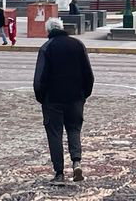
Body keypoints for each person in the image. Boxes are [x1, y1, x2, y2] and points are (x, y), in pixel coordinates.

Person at [34, 16, 95, 184]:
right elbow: (88, 74)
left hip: (52, 99)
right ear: (62, 28)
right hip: (75, 98)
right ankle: (76, 162)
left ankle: (59, 173)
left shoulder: (46, 48)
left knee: (55, 134)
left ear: (48, 31)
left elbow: (39, 79)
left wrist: (41, 98)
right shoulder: (78, 45)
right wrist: (83, 95)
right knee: (74, 130)